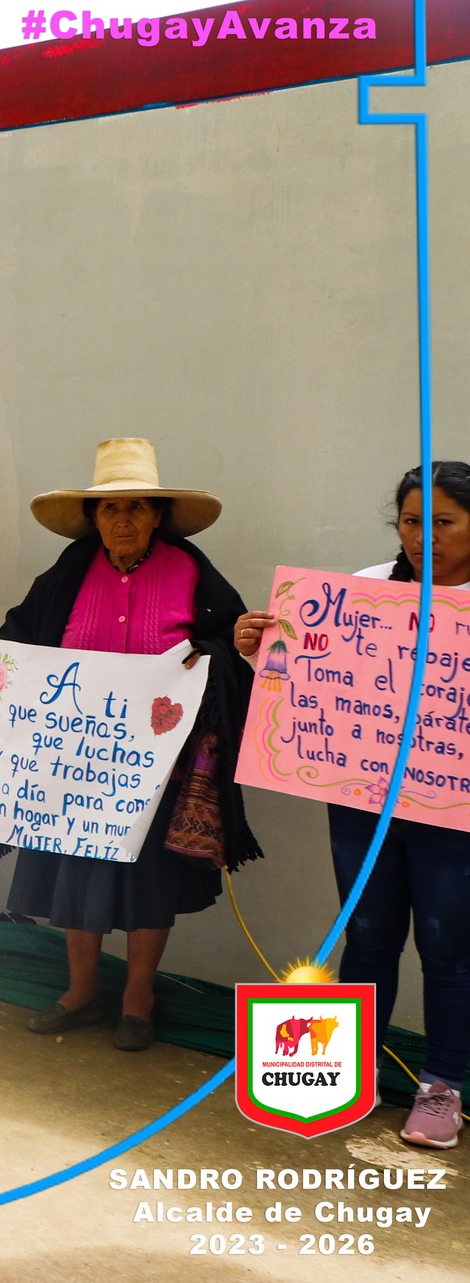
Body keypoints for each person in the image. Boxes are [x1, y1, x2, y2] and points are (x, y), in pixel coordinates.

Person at [0, 438, 261, 1052]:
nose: (123, 521)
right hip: (75, 762)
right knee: (76, 870)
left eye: (137, 508)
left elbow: (231, 639)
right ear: (94, 518)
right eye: (110, 510)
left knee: (150, 880)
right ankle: (81, 990)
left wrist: (235, 645)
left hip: (152, 763)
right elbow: (21, 636)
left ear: (157, 515)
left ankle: (137, 997)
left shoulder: (190, 570)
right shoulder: (70, 570)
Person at [236, 461, 470, 1148]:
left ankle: (441, 1086)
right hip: (361, 803)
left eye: (444, 522)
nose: (424, 537)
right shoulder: (364, 591)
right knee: (368, 935)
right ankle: (357, 1076)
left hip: (453, 815)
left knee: (449, 947)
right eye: (410, 522)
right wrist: (261, 648)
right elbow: (305, 679)